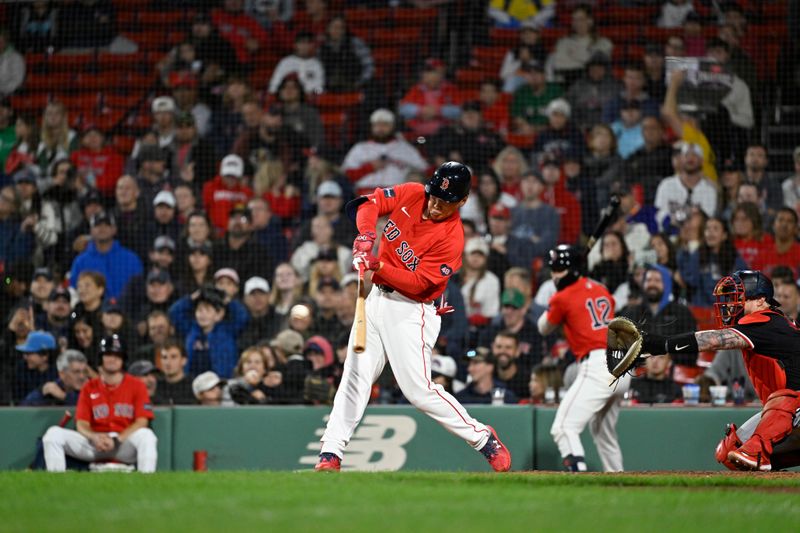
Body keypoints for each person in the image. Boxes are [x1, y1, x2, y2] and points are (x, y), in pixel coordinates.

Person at [314, 162, 511, 472]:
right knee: (355, 376)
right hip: (375, 299)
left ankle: (482, 437)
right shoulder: (414, 193)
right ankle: (331, 453)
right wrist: (366, 235)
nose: (434, 204)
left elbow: (420, 283)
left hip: (412, 310)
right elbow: (370, 203)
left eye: (444, 202)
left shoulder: (452, 238)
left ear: (462, 202)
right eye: (434, 196)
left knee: (418, 390)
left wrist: (377, 265)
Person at [631, 270, 800, 471]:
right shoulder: (769, 323)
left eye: (737, 298)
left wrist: (662, 344)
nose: (729, 304)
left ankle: (759, 454)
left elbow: (711, 340)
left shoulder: (766, 320)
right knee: (732, 452)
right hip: (791, 411)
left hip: (793, 405)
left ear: (761, 300)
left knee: (775, 414)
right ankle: (771, 473)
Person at [537, 245, 631, 472]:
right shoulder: (602, 290)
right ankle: (619, 480)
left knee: (563, 427)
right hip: (622, 362)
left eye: (558, 269)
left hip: (598, 365)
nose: (554, 275)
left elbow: (543, 328)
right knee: (602, 432)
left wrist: (554, 301)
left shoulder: (562, 297)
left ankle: (578, 477)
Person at [41, 334, 157, 473]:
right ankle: (56, 482)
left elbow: (142, 422)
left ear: (123, 359)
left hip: (123, 444)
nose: (112, 358)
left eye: (117, 355)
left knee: (147, 435)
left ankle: (146, 481)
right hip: (95, 444)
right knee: (53, 434)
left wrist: (117, 440)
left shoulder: (137, 386)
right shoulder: (89, 387)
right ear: (101, 358)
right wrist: (94, 437)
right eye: (108, 354)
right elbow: (81, 424)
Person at [69, 211, 143, 300]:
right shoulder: (80, 261)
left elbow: (140, 291)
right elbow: (74, 292)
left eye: (107, 225)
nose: (102, 228)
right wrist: (74, 315)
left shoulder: (131, 259)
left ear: (114, 229)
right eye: (97, 225)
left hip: (126, 311)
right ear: (91, 231)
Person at [13, 330, 58, 403]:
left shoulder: (59, 374)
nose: (25, 357)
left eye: (29, 353)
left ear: (44, 356)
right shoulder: (21, 371)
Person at [153, 339, 195, 405]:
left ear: (184, 360)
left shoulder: (194, 386)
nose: (168, 362)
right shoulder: (155, 386)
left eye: (173, 357)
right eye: (164, 357)